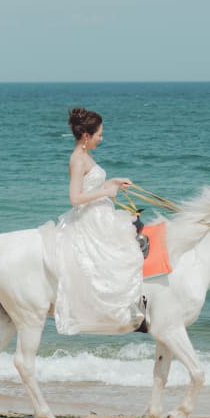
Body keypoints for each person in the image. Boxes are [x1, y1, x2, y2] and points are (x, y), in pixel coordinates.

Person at [38, 107, 145, 335]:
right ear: (86, 136)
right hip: (90, 218)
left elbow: (91, 186)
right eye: (98, 134)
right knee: (128, 255)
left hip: (101, 212)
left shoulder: (86, 155)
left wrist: (112, 183)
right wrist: (107, 192)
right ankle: (119, 313)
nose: (101, 138)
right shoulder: (77, 159)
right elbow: (75, 198)